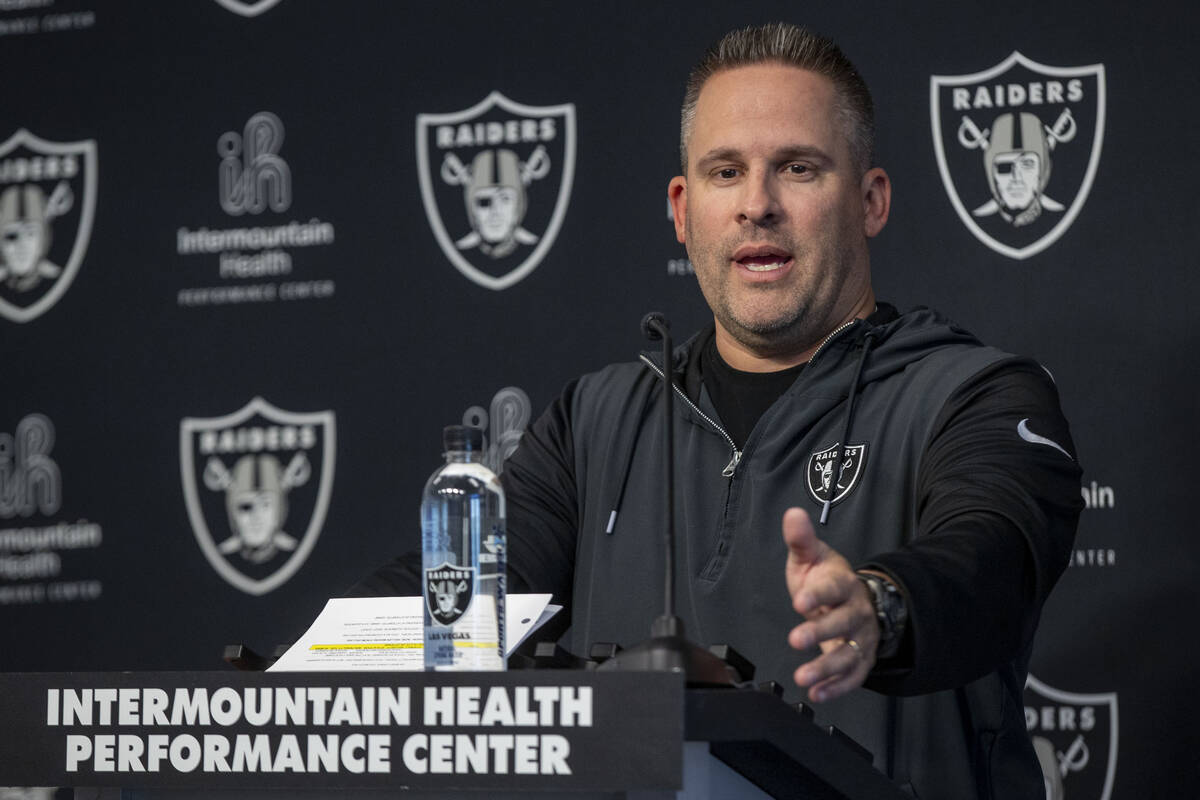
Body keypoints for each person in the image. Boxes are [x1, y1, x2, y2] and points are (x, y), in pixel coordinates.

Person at [352, 22, 1081, 799]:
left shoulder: (973, 394)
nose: (757, 206)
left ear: (870, 201)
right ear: (682, 208)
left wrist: (879, 608)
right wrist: (302, 671)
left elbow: (990, 557)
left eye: (797, 168)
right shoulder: (596, 420)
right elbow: (462, 593)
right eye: (725, 172)